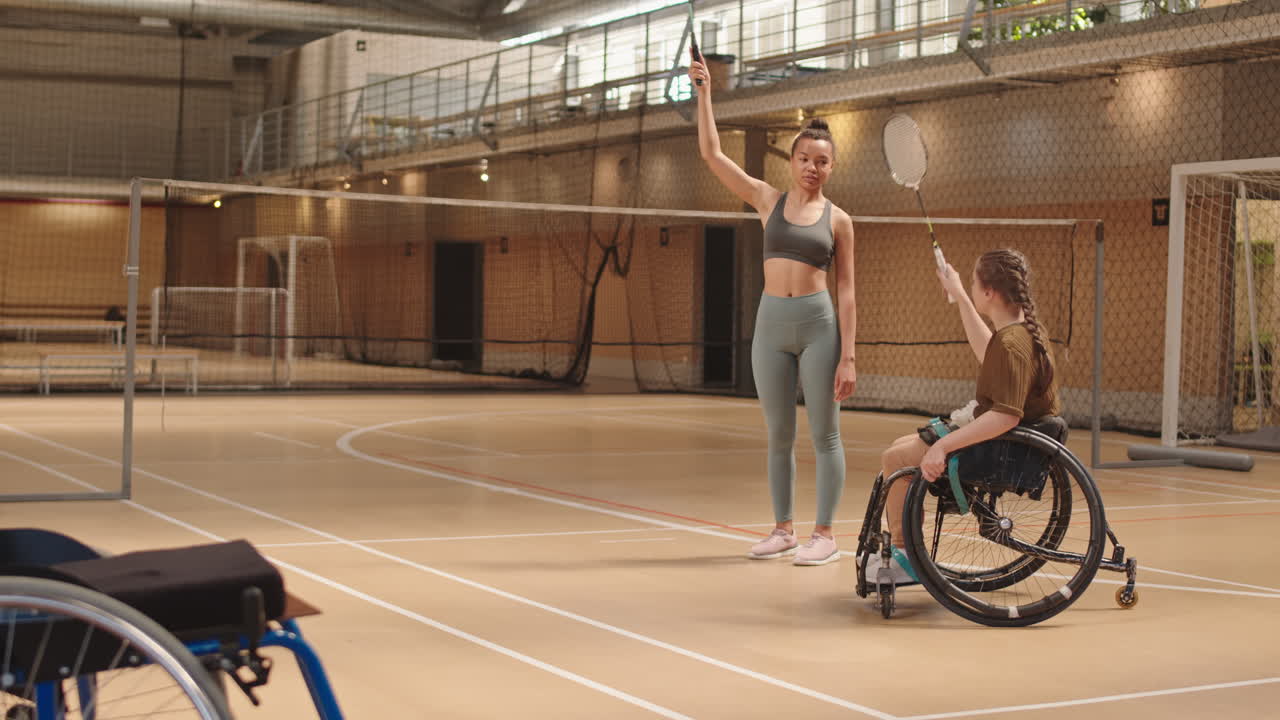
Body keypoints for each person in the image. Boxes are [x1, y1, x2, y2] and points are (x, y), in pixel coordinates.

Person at [689, 57, 857, 566]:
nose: (812, 167)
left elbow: (847, 290)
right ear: (793, 160)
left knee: (824, 432)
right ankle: (783, 529)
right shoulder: (766, 199)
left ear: (831, 166)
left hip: (818, 327)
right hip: (770, 326)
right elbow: (713, 154)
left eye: (821, 161)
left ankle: (823, 534)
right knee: (779, 433)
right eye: (805, 158)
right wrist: (704, 94)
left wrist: (848, 356)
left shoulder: (840, 220)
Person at [869, 248, 1061, 583]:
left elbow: (1005, 417)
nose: (971, 288)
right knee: (901, 448)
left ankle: (906, 555)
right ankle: (907, 548)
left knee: (895, 459)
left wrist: (942, 447)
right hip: (998, 442)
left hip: (997, 448)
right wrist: (959, 296)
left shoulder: (1013, 345)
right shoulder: (1019, 334)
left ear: (989, 292)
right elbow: (989, 352)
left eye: (972, 283)